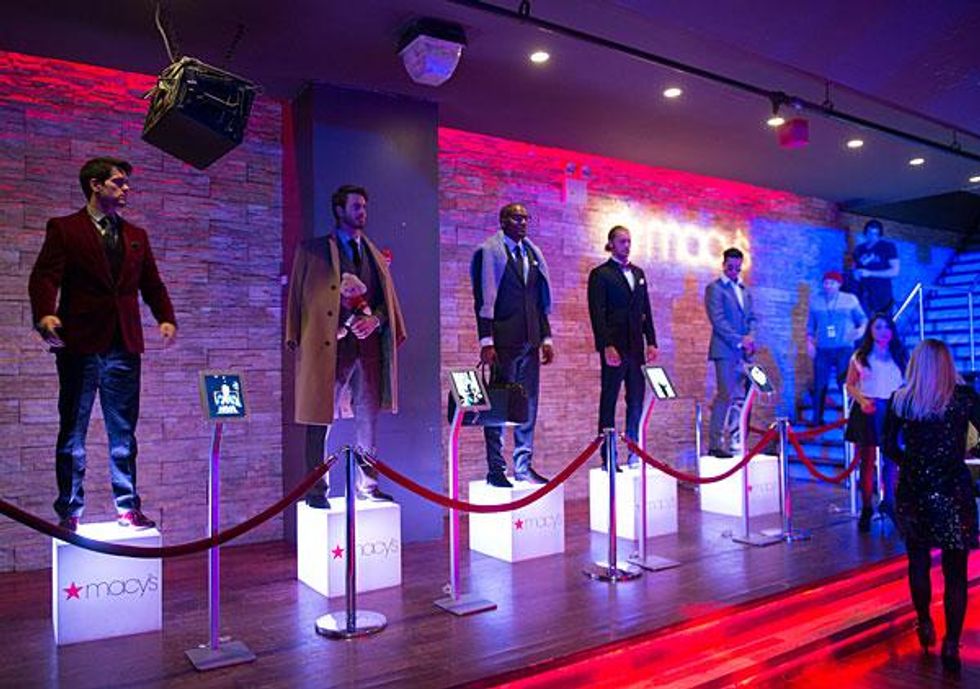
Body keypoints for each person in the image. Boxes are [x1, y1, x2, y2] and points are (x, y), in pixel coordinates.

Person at [28, 157, 177, 532]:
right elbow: (45, 277)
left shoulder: (136, 235)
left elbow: (152, 283)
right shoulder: (65, 229)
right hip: (80, 343)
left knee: (123, 433)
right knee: (73, 433)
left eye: (126, 183)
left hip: (124, 344)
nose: (126, 189)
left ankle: (127, 506)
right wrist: (45, 314)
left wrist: (165, 317)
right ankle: (69, 511)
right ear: (95, 185)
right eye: (118, 182)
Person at [286, 184, 407, 509]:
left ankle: (368, 485)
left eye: (364, 206)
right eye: (356, 206)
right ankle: (316, 490)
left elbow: (385, 303)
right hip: (331, 350)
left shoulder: (374, 255)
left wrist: (376, 321)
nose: (362, 212)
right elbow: (302, 300)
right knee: (318, 420)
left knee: (368, 419)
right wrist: (339, 324)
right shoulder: (313, 252)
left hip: (367, 352)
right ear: (339, 210)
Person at [883, 339, 979, 673]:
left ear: (916, 365)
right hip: (953, 489)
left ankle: (924, 622)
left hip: (915, 489)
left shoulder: (901, 400)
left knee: (918, 562)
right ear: (947, 365)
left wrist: (913, 462)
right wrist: (966, 452)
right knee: (956, 572)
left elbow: (888, 446)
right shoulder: (964, 398)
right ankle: (952, 643)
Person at [470, 202, 555, 487]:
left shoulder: (532, 254)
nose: (523, 223)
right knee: (498, 407)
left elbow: (538, 301)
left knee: (528, 404)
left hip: (530, 340)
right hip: (502, 342)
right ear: (503, 221)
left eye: (525, 218)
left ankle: (523, 466)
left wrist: (546, 338)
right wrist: (486, 340)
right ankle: (496, 469)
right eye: (517, 218)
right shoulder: (489, 252)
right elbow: (482, 299)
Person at [587, 226, 658, 469]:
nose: (627, 245)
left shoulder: (639, 273)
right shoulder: (600, 274)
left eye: (629, 241)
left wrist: (652, 341)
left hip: (636, 348)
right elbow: (597, 314)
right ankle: (608, 456)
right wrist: (606, 345)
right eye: (622, 241)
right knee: (609, 399)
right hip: (614, 347)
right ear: (611, 244)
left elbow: (645, 310)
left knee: (636, 400)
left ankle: (634, 451)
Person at [844, 313, 907, 532]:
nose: (883, 332)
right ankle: (867, 507)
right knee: (868, 460)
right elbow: (850, 384)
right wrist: (862, 400)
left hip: (893, 408)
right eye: (878, 327)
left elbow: (906, 383)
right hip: (868, 407)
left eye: (887, 327)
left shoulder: (899, 354)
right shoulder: (860, 356)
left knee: (892, 459)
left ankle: (890, 502)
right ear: (870, 330)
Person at [704, 247, 756, 458]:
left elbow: (751, 318)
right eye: (730, 267)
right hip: (725, 351)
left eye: (737, 267)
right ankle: (715, 443)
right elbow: (718, 321)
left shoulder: (744, 290)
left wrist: (751, 337)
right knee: (725, 395)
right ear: (723, 264)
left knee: (742, 398)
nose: (734, 271)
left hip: (745, 352)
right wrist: (739, 340)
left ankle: (737, 441)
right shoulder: (715, 288)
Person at [806, 270, 867, 426]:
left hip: (844, 347)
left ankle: (853, 418)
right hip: (823, 348)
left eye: (832, 283)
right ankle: (817, 420)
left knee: (845, 383)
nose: (828, 286)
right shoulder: (815, 301)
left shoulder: (850, 300)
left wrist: (860, 331)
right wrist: (809, 342)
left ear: (839, 284)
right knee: (819, 384)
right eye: (826, 283)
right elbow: (810, 326)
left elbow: (863, 319)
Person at [852, 219, 899, 316]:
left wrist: (870, 273)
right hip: (863, 292)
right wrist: (855, 274)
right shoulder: (859, 249)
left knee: (883, 320)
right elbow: (855, 267)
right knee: (864, 320)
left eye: (875, 234)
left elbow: (895, 271)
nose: (872, 237)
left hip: (882, 292)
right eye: (869, 233)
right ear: (865, 233)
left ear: (879, 235)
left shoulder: (887, 247)